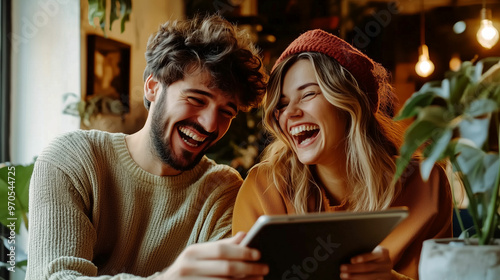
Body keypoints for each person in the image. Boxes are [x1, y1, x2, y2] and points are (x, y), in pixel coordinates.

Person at [26, 14, 270, 279]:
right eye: (197, 99)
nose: (210, 124)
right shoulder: (73, 160)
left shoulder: (221, 191)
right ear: (153, 87)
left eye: (227, 111)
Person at [232, 29, 453, 280]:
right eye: (281, 104)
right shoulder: (263, 187)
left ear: (351, 103)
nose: (289, 113)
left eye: (308, 94)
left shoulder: (425, 183)